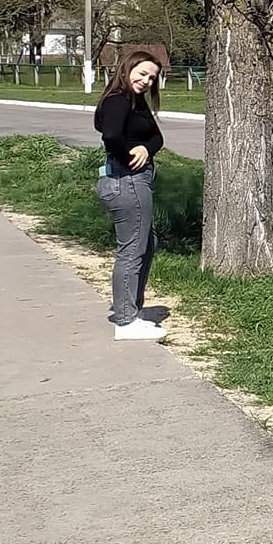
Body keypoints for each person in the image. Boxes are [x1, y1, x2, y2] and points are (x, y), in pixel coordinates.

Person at [93, 51, 166, 340]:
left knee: (147, 242)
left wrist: (147, 149)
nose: (146, 80)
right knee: (132, 250)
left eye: (152, 77)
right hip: (126, 181)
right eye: (142, 73)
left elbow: (157, 138)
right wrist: (127, 158)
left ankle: (132, 311)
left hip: (133, 181)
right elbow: (110, 136)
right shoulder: (118, 100)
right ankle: (125, 321)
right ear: (128, 67)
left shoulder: (136, 102)